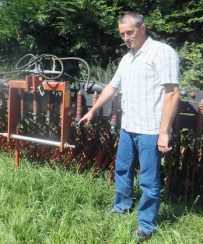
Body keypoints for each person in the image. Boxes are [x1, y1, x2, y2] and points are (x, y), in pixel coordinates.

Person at [79, 11, 180, 242]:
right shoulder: (127, 58)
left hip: (150, 130)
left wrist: (164, 132)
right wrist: (93, 110)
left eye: (130, 32)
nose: (126, 37)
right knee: (122, 169)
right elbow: (112, 88)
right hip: (128, 127)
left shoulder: (161, 52)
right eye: (122, 34)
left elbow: (173, 93)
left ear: (143, 27)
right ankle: (122, 206)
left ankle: (146, 225)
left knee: (148, 179)